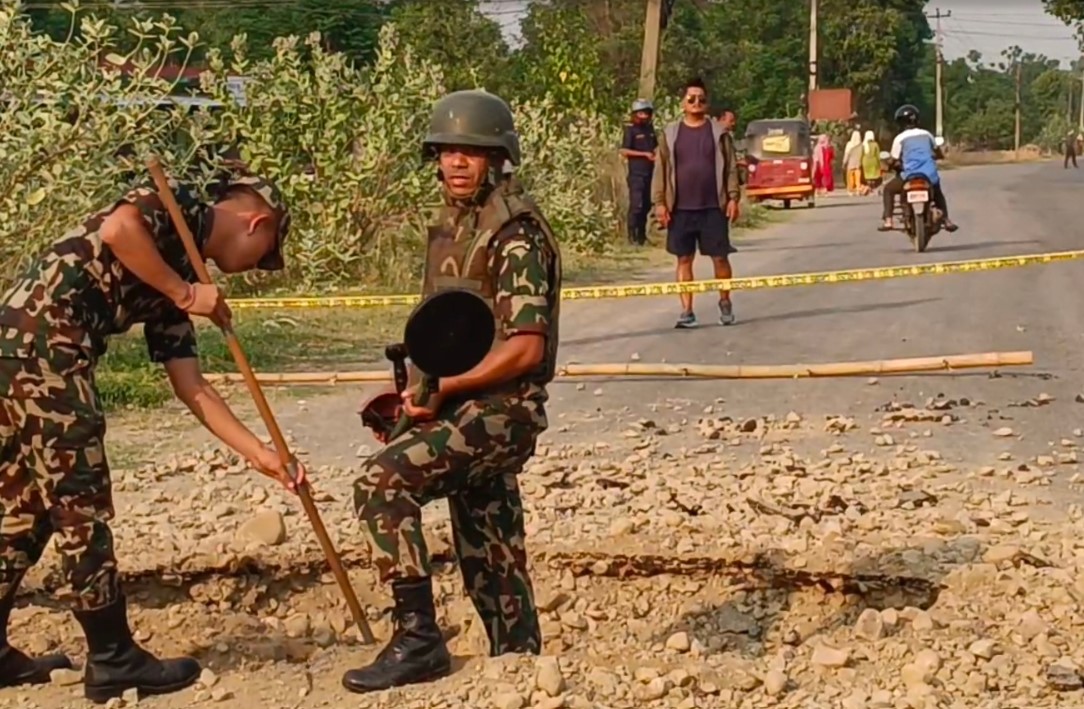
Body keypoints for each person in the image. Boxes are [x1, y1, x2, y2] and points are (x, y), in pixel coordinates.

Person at [0, 170, 306, 703]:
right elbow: (120, 230)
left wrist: (262, 455)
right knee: (79, 499)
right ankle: (113, 657)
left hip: (28, 351)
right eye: (263, 256)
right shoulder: (179, 203)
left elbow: (193, 387)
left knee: (25, 502)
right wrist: (186, 292)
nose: (256, 267)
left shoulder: (182, 276)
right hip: (43, 345)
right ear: (257, 224)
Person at [345, 89, 561, 694]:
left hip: (503, 411)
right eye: (446, 151)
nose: (456, 162)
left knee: (380, 485)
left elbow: (526, 347)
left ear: (497, 159)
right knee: (490, 545)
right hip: (468, 405)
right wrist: (416, 394)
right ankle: (518, 670)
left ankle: (418, 639)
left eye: (471, 151)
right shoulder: (457, 226)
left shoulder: (514, 234)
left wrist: (443, 389)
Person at [651, 76, 740, 329]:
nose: (696, 103)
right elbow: (661, 169)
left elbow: (731, 168)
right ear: (682, 103)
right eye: (691, 99)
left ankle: (725, 302)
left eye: (701, 99)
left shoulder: (719, 133)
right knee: (684, 259)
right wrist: (659, 203)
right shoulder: (670, 135)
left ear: (707, 103)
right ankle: (687, 311)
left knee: (720, 258)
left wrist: (733, 198)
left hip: (714, 207)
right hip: (680, 209)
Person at [879, 104, 958, 233]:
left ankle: (888, 220)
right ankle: (947, 220)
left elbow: (894, 159)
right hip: (929, 175)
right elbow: (937, 153)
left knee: (888, 189)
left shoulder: (899, 138)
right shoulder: (927, 135)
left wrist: (889, 165)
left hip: (909, 175)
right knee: (937, 192)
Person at [619, 98, 658, 246]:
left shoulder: (650, 129)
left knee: (647, 205)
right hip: (636, 173)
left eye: (646, 113)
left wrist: (657, 154)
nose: (644, 116)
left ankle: (641, 236)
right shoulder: (630, 130)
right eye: (641, 113)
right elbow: (623, 150)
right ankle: (631, 236)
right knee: (636, 205)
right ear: (635, 114)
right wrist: (644, 155)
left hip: (650, 172)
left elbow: (654, 146)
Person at [861, 130, 882, 194]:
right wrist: (879, 163)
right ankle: (873, 188)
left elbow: (861, 154)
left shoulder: (863, 144)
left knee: (867, 176)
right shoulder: (875, 144)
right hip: (873, 162)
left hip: (865, 162)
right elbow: (878, 155)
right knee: (874, 176)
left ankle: (869, 188)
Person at [843, 130, 863, 195]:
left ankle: (850, 190)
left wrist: (844, 162)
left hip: (850, 164)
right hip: (858, 164)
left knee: (850, 178)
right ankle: (858, 190)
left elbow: (846, 154)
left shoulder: (849, 144)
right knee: (858, 178)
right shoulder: (861, 146)